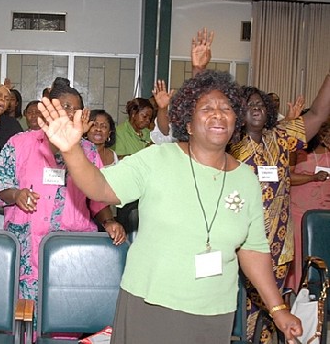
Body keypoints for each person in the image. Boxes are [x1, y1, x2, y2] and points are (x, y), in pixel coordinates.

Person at [37, 71, 303, 344]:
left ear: (236, 121)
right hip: (151, 306)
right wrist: (71, 151)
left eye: (226, 109)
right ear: (187, 122)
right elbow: (99, 187)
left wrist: (278, 309)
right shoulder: (157, 159)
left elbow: (253, 249)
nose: (218, 114)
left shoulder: (246, 179)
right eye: (207, 108)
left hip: (215, 312)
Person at [0, 77, 126, 327]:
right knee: (25, 317)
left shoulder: (88, 151)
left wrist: (109, 221)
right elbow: (0, 184)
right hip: (26, 245)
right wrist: (16, 195)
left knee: (67, 314)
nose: (70, 113)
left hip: (71, 247)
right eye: (65, 106)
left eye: (76, 108)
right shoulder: (20, 143)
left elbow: (97, 197)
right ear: (49, 108)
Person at [229, 74, 330, 341]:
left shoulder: (282, 138)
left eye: (261, 104)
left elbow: (319, 113)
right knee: (239, 308)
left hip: (277, 242)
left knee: (271, 307)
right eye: (249, 104)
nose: (257, 107)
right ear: (238, 112)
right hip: (239, 242)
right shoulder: (229, 143)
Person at [286, 122, 330, 291]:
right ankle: (298, 294)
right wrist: (312, 178)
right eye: (322, 128)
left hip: (325, 210)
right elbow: (286, 176)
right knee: (302, 255)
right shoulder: (298, 151)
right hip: (300, 212)